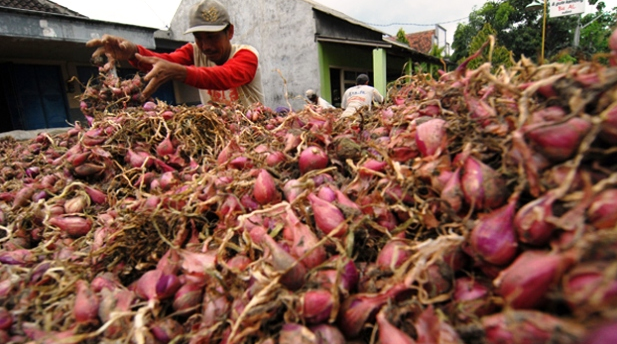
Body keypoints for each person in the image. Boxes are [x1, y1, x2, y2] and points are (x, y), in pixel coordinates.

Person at [86, 0, 264, 107]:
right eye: (199, 38)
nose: (206, 45)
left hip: (251, 134)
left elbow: (225, 76)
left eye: (212, 37)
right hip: (220, 135)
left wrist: (180, 72)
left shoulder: (247, 55)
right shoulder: (193, 51)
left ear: (230, 32)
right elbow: (165, 62)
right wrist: (134, 53)